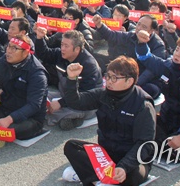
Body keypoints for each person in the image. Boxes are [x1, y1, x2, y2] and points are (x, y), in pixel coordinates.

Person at [62, 56, 156, 186]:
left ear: (129, 81)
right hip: (106, 155)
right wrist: (71, 79)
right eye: (108, 76)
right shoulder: (103, 95)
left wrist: (124, 166)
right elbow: (76, 102)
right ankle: (100, 179)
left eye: (115, 78)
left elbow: (145, 144)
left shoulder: (143, 105)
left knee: (133, 176)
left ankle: (94, 177)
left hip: (132, 161)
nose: (109, 81)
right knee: (72, 146)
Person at [0, 34, 48, 151]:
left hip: (29, 118)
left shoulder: (37, 74)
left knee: (12, 129)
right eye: (9, 46)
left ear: (26, 52)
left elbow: (33, 105)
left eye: (14, 48)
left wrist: (9, 119)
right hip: (7, 108)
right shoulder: (5, 60)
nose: (9, 51)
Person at [34, 28, 102, 130]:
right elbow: (45, 54)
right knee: (39, 94)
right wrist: (39, 38)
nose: (62, 48)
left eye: (66, 46)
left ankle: (74, 119)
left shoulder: (89, 65)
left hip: (85, 101)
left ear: (77, 49)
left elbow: (85, 94)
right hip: (66, 94)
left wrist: (60, 103)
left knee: (60, 113)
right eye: (62, 44)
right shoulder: (61, 55)